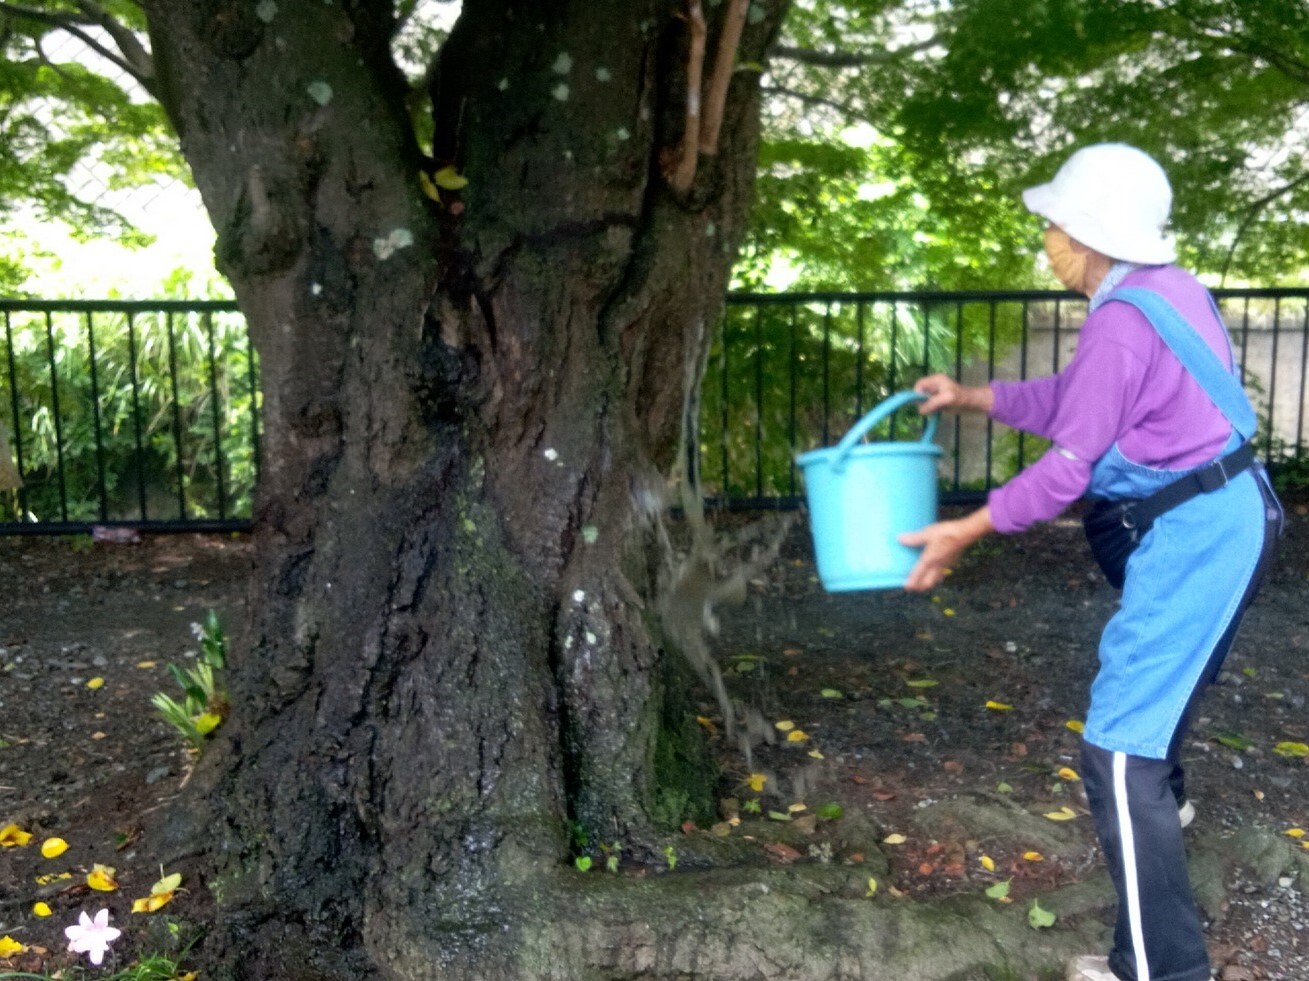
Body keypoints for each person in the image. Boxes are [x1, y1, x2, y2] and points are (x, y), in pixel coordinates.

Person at [899, 143, 1283, 981]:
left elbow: (1068, 467)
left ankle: (1159, 968)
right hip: (1233, 515)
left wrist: (963, 529)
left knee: (1116, 753)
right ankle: (1163, 808)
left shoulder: (1120, 318)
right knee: (1151, 724)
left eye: (1053, 222)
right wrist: (973, 397)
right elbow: (1084, 403)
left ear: (1091, 233)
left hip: (1197, 535)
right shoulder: (1163, 291)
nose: (1044, 236)